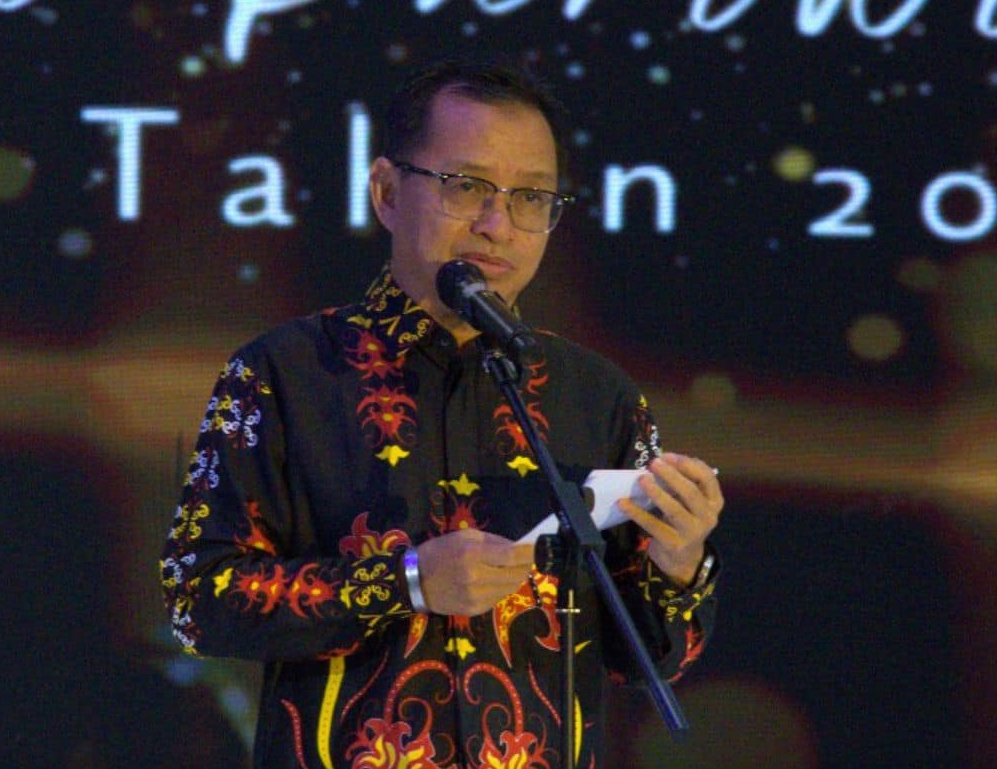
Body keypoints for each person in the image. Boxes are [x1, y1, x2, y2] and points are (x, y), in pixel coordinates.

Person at [159, 56, 722, 769]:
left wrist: (678, 560)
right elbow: (199, 599)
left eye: (531, 198)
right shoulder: (284, 374)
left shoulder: (597, 396)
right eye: (466, 186)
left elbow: (653, 658)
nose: (497, 225)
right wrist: (406, 582)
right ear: (388, 192)